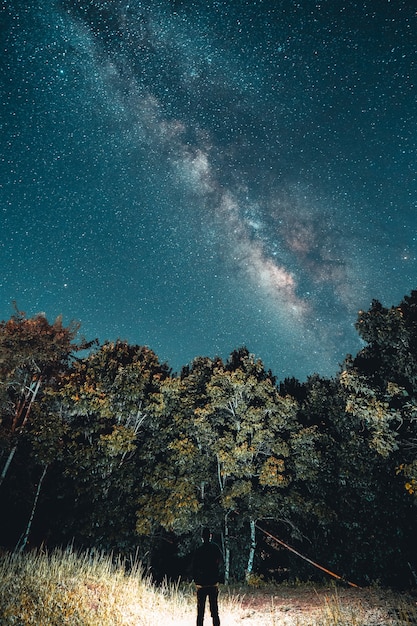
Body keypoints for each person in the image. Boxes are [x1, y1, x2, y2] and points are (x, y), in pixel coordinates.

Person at [192, 528, 223, 626]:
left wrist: (196, 580)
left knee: (200, 613)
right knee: (214, 611)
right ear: (210, 536)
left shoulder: (199, 550)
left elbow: (194, 566)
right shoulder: (215, 548)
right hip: (213, 583)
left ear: (202, 537)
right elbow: (221, 562)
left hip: (201, 584)